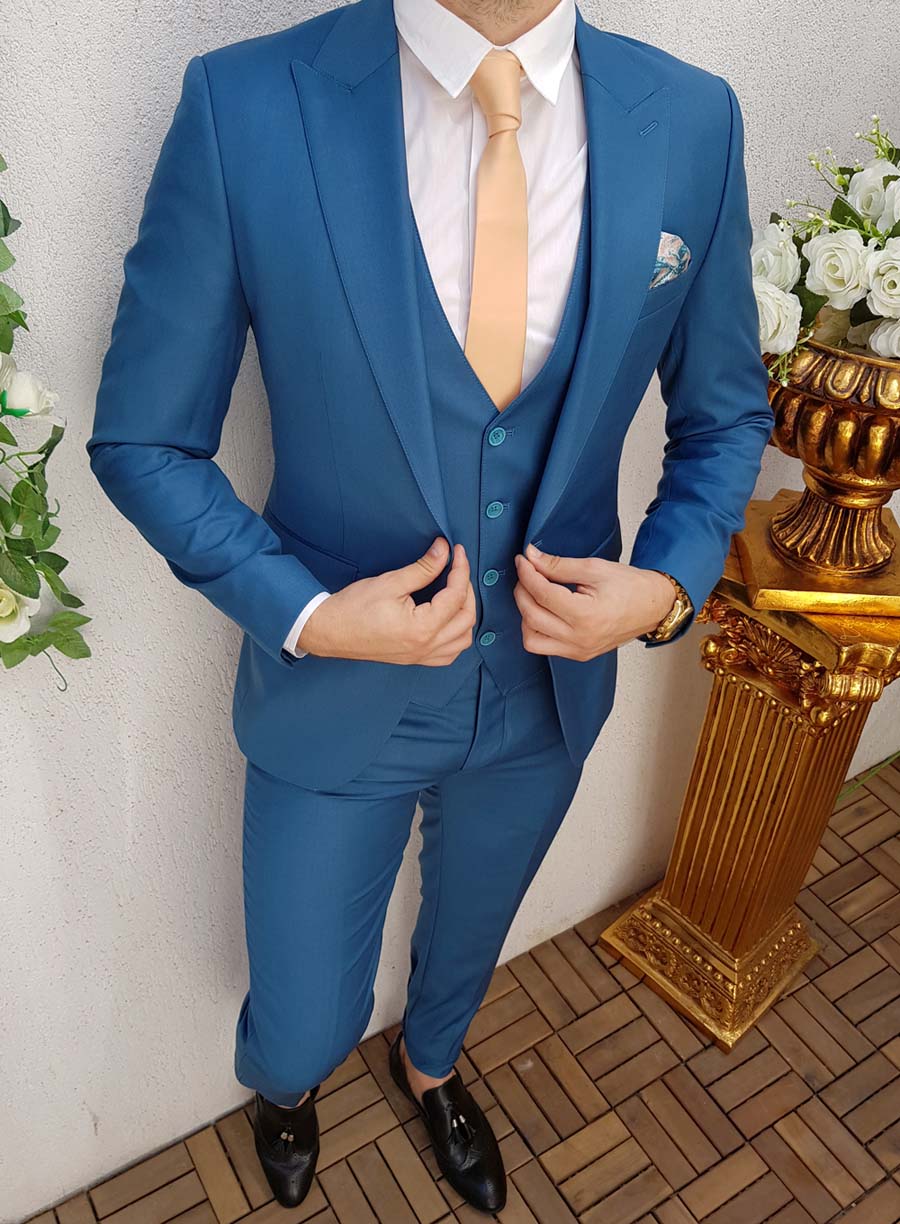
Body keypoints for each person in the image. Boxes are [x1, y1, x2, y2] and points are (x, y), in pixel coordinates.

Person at [87, 0, 774, 1211]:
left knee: (470, 938)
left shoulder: (692, 120)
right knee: (301, 1015)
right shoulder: (246, 105)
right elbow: (145, 439)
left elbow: (723, 417)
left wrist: (665, 589)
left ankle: (434, 1062)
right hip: (337, 694)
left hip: (550, 691)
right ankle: (288, 1087)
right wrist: (308, 615)